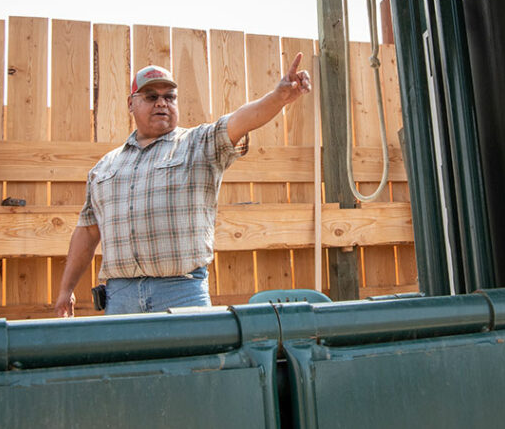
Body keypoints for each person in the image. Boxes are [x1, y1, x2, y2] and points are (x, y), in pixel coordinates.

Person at [54, 54, 312, 316]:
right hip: (120, 297)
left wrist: (278, 97)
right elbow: (87, 232)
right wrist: (66, 290)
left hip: (182, 292)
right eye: (151, 97)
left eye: (170, 97)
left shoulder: (199, 144)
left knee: (195, 359)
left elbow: (241, 120)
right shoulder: (104, 167)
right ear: (131, 104)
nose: (162, 103)